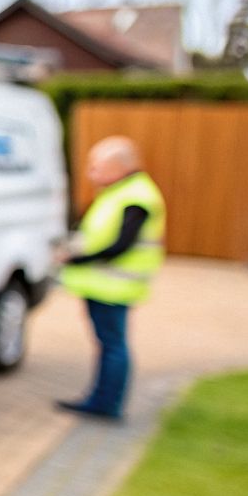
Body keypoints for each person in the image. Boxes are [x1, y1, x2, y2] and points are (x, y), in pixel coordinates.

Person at [55, 135, 166, 420]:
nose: (91, 172)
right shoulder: (120, 191)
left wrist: (75, 259)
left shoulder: (137, 196)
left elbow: (120, 244)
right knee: (109, 344)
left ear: (118, 166)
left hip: (114, 286)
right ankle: (101, 400)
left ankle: (106, 404)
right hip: (103, 284)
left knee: (113, 345)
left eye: (97, 165)